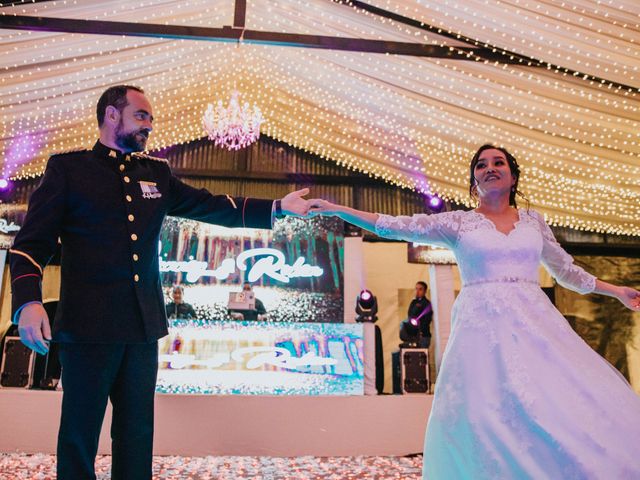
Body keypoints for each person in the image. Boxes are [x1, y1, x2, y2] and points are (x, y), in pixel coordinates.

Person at [9, 85, 312, 480]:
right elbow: (31, 244)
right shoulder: (69, 170)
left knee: (136, 435)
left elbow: (210, 205)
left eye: (150, 118)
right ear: (112, 115)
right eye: (141, 116)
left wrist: (275, 208)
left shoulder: (156, 174)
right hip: (87, 328)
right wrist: (28, 302)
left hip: (142, 326)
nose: (148, 125)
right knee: (79, 435)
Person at [309, 144, 640, 479]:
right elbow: (394, 225)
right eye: (481, 165)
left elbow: (567, 272)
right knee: (484, 411)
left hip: (535, 325)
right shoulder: (459, 223)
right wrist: (338, 210)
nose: (490, 168)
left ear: (513, 176)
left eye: (498, 163)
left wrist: (616, 292)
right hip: (480, 330)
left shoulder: (533, 223)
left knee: (550, 403)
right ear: (473, 181)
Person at [400, 281, 433, 348]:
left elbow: (427, 320)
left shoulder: (426, 303)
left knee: (421, 356)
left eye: (420, 289)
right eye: (416, 289)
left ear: (425, 291)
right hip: (412, 335)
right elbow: (409, 314)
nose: (417, 291)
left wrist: (420, 330)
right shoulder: (413, 301)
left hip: (423, 336)